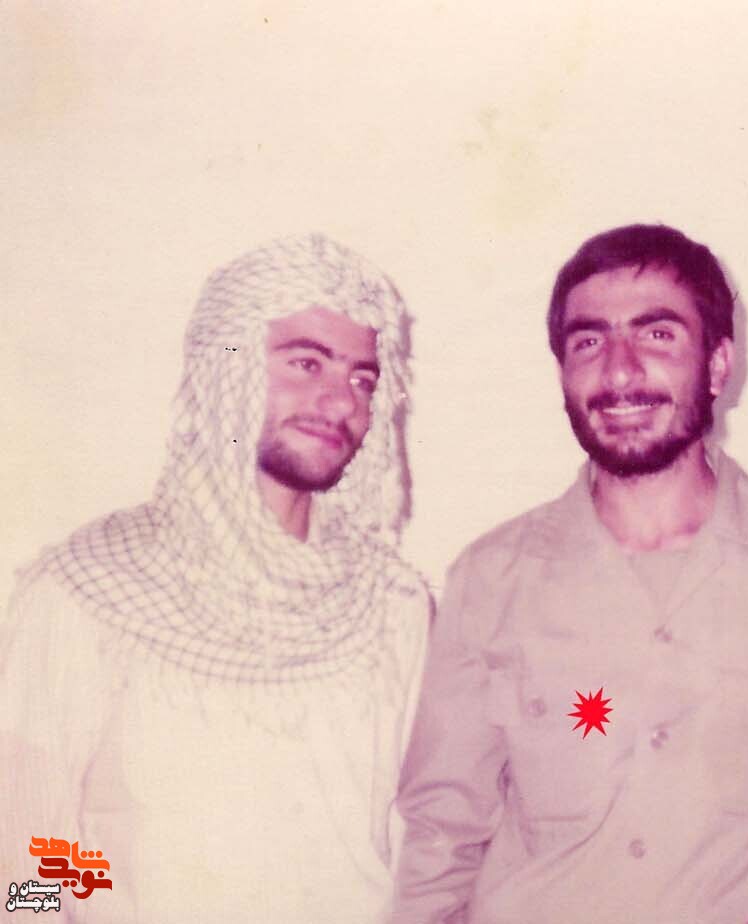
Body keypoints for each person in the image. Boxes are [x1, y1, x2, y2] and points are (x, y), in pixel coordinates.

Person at [392, 224, 748, 924]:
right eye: (589, 342)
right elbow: (442, 831)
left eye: (656, 335)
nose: (619, 372)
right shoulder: (490, 578)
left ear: (717, 365)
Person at [0, 234, 430, 922]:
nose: (339, 401)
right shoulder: (84, 593)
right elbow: (22, 867)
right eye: (306, 363)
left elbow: (414, 847)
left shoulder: (394, 607)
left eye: (361, 379)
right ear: (225, 367)